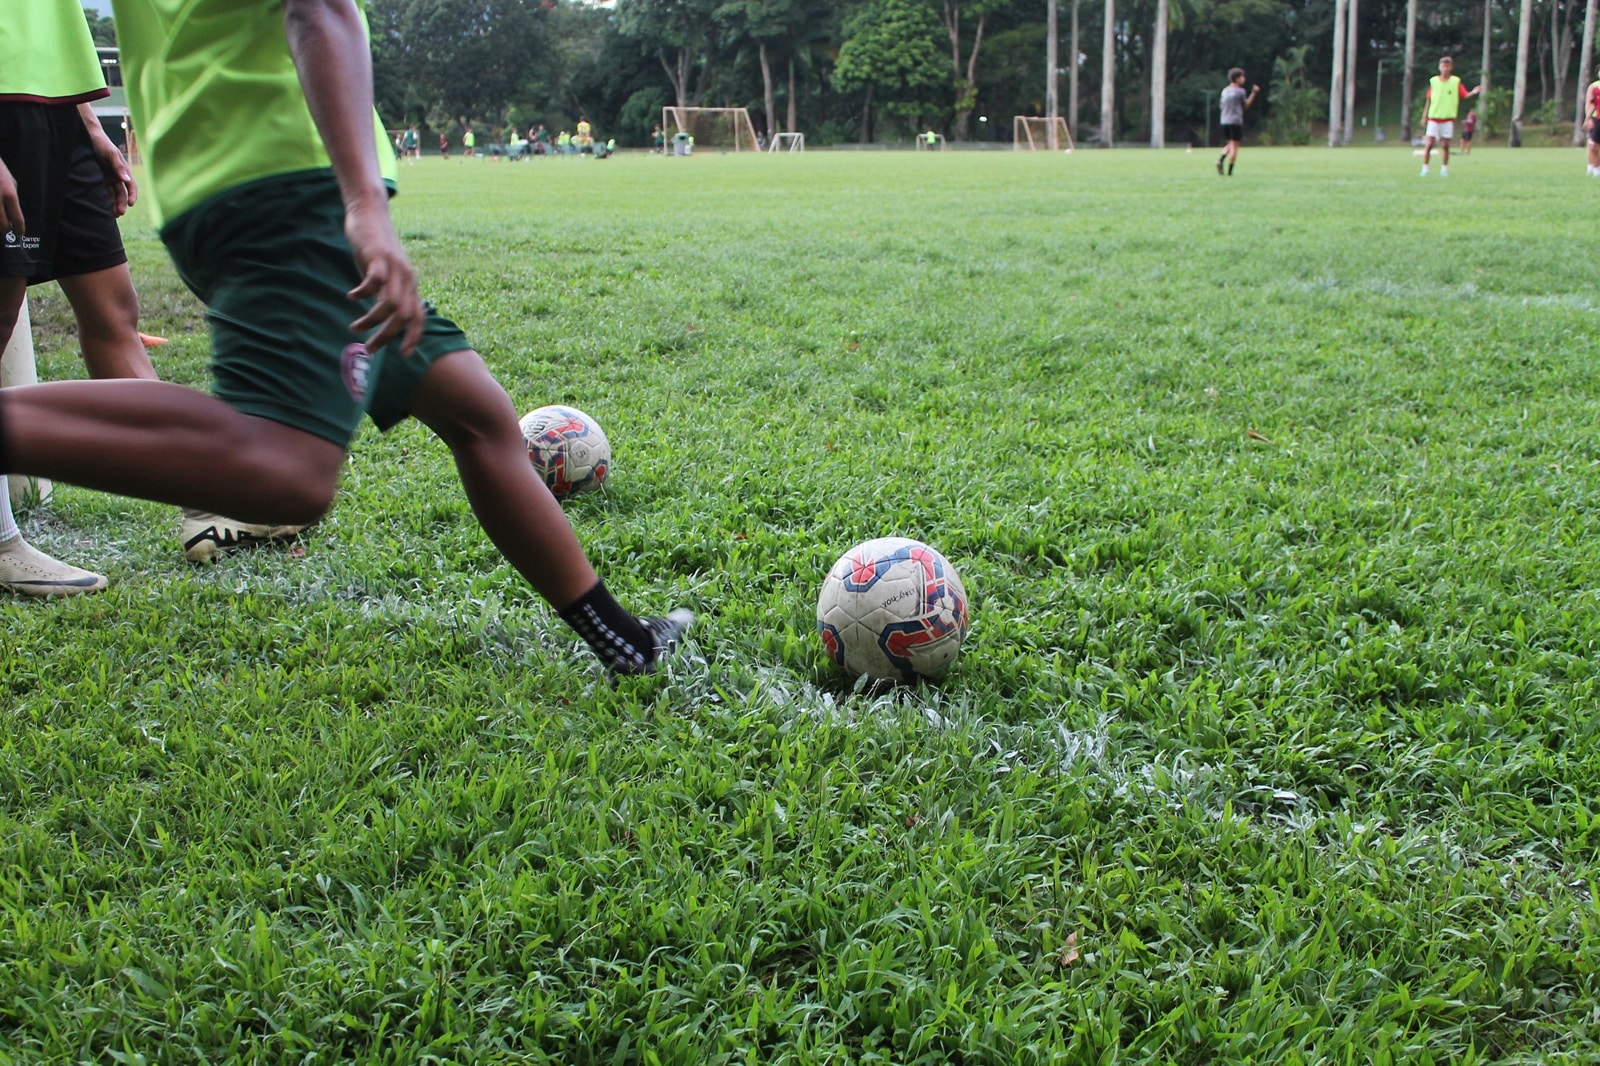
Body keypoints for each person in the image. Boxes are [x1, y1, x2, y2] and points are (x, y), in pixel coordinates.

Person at [0, 0, 692, 674]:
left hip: (215, 179)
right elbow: (318, 8)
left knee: (474, 411)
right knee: (288, 471)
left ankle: (621, 639)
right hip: (288, 178)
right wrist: (362, 200)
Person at [0, 0, 293, 592]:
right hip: (6, 111)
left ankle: (207, 503)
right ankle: (2, 541)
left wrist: (88, 128)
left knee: (114, 310)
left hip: (56, 106)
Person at [1420, 56, 1481, 177]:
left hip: (1448, 118)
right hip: (1434, 117)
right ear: (1439, 67)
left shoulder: (1455, 81)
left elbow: (1464, 94)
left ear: (1451, 68)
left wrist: (1473, 92)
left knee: (1446, 145)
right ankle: (1425, 168)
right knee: (1430, 143)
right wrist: (1424, 116)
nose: (1445, 68)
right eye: (1443, 66)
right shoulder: (1434, 81)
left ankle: (1444, 169)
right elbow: (1429, 100)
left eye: (1447, 66)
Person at [1215, 68, 1259, 176]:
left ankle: (1220, 160)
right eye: (1242, 77)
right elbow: (1246, 105)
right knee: (1234, 146)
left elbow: (1221, 105)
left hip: (1224, 120)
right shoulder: (1240, 91)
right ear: (1237, 78)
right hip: (1235, 121)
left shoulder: (1225, 90)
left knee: (1230, 144)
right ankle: (1229, 172)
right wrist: (1254, 93)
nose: (1243, 79)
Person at [1585, 77, 1600, 176]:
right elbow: (1592, 104)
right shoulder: (1595, 88)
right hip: (1597, 119)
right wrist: (1588, 118)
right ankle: (1594, 168)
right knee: (1593, 145)